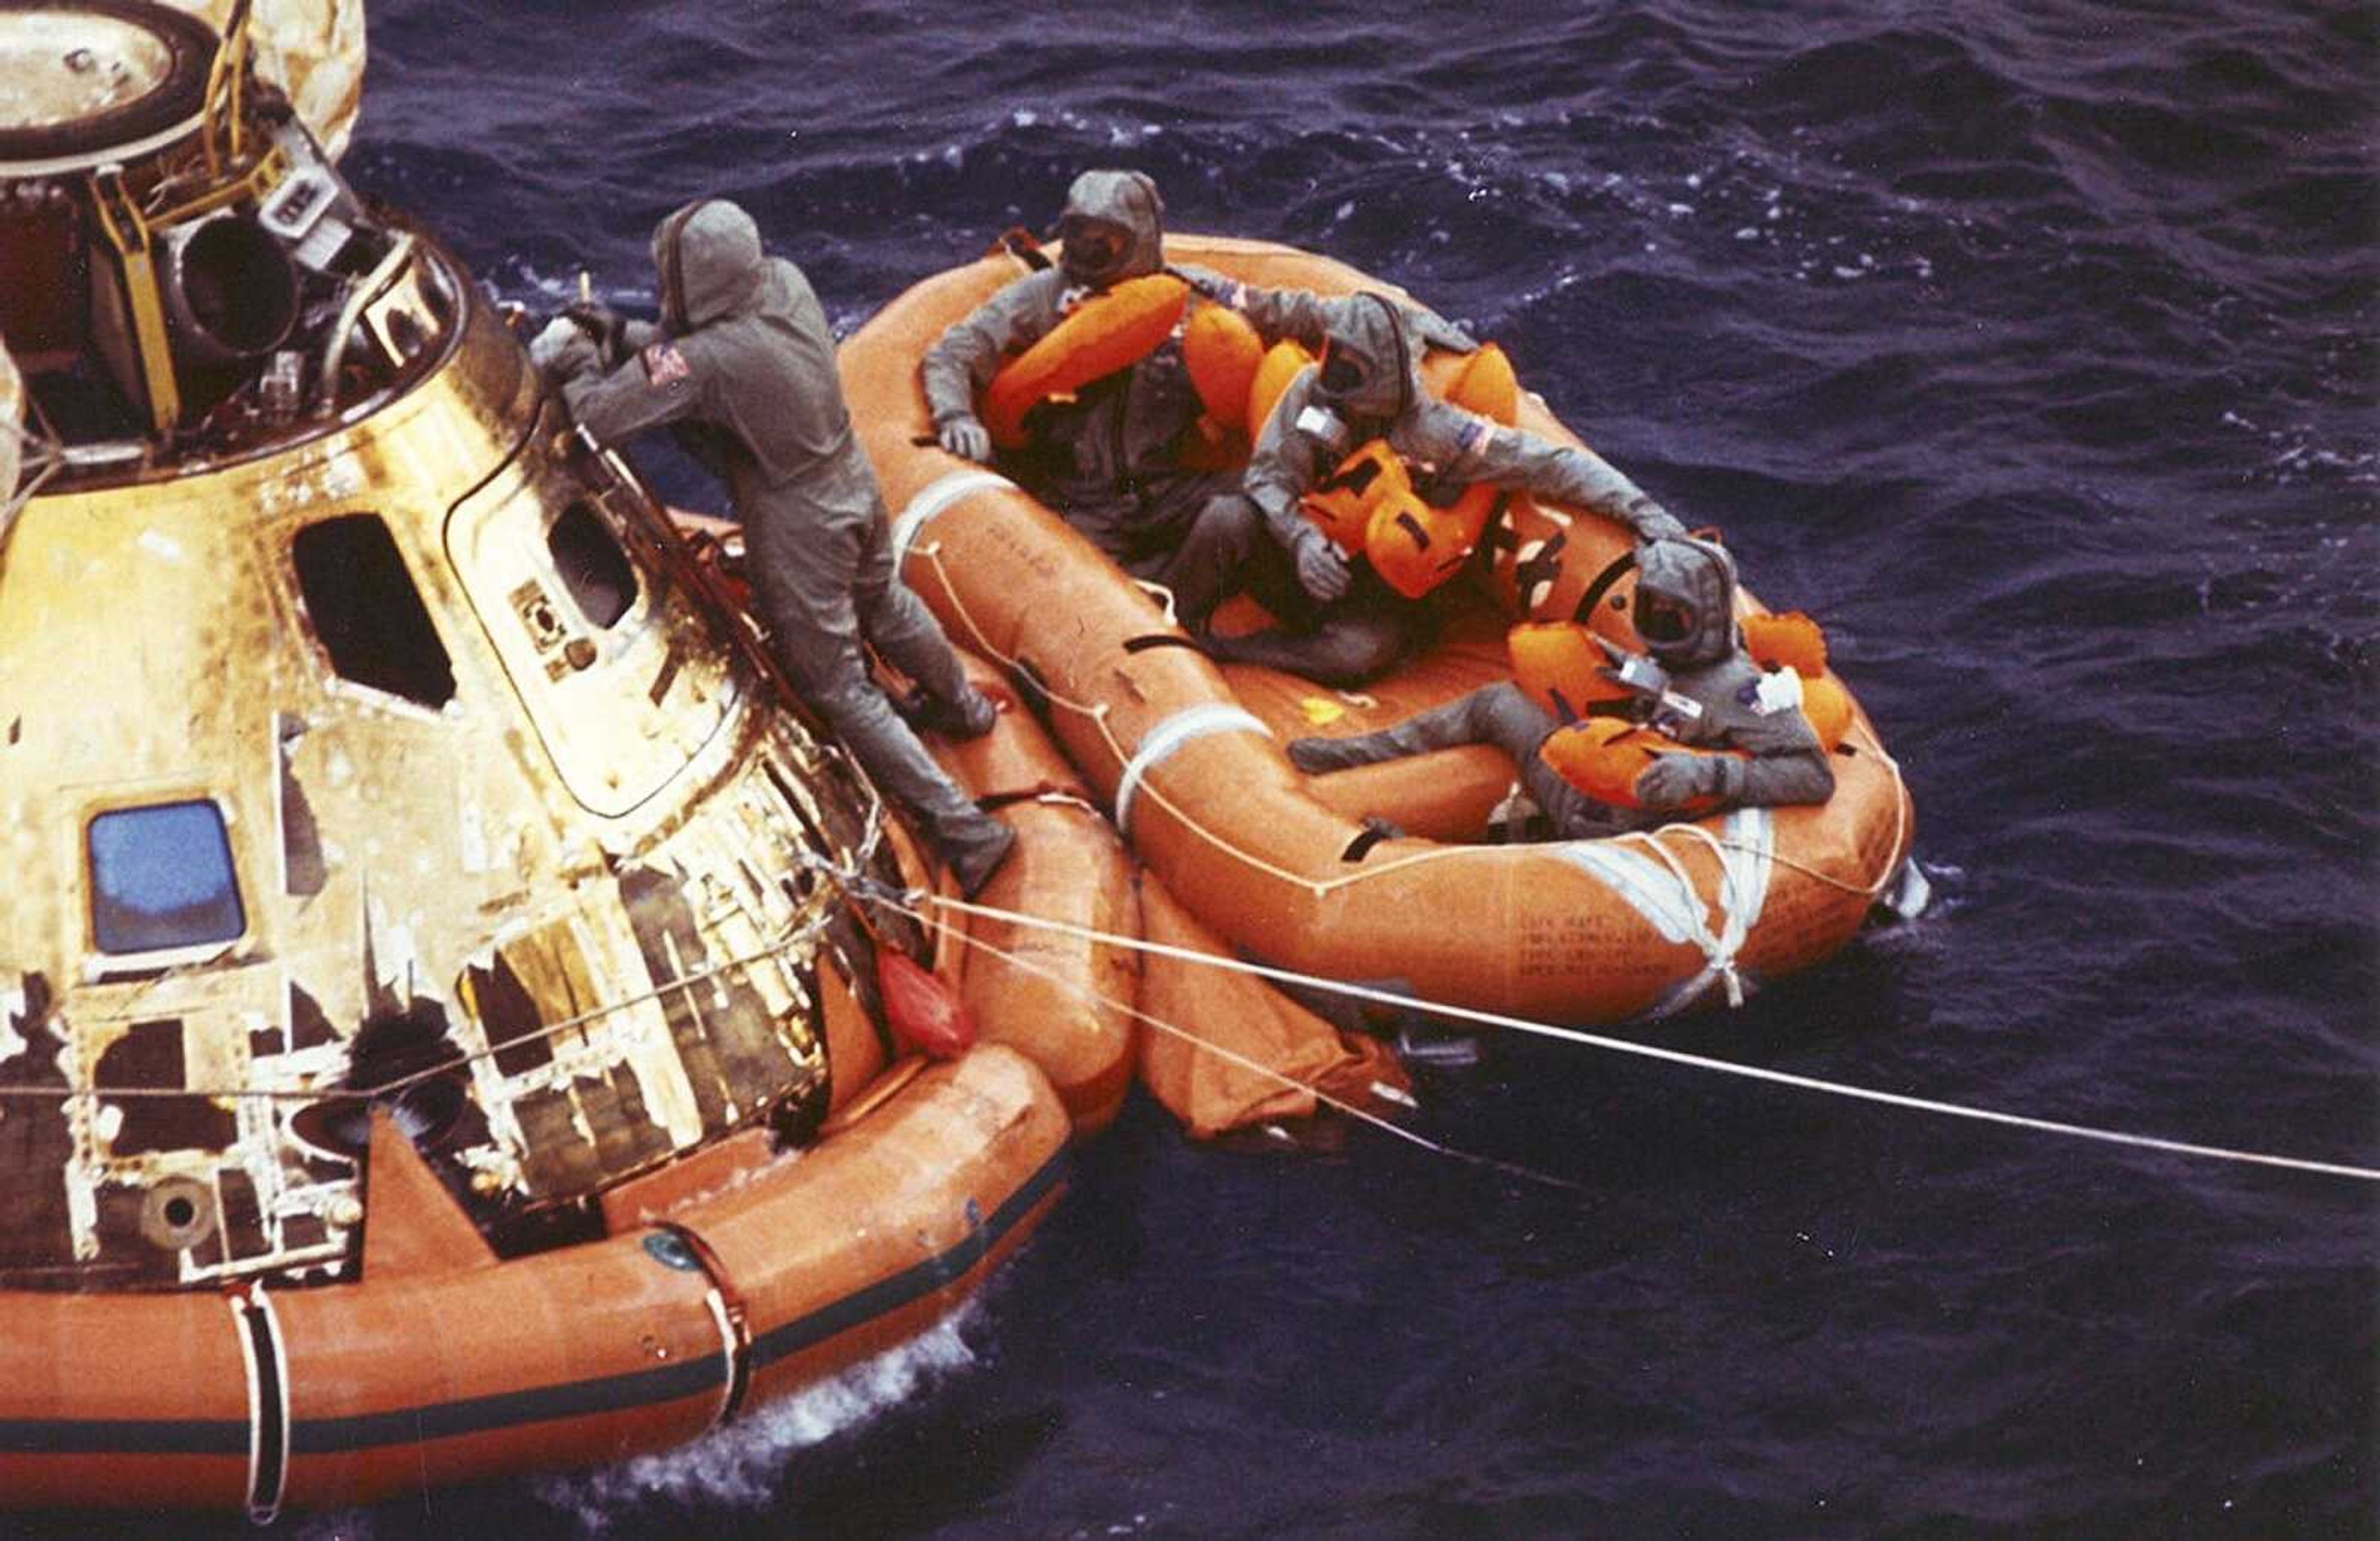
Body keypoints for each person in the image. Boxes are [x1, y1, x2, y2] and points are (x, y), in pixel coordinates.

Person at [534, 197, 1016, 896]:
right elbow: (688, 354)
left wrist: (579, 361)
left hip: (798, 519)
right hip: (850, 476)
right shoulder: (783, 283)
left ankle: (969, 834)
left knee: (836, 685)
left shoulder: (705, 361)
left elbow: (597, 420)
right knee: (884, 600)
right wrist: (625, 334)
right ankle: (962, 708)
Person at [920, 169, 1469, 630]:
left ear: (1140, 236)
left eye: (1105, 240)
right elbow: (953, 352)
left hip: (1166, 491)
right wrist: (955, 414)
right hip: (1077, 504)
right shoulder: (1041, 300)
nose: (1088, 253)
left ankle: (1347, 604)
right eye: (1077, 235)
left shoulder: (1199, 297)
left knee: (1253, 504)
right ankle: (1149, 629)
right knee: (1067, 586)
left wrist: (1403, 321)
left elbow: (1296, 310)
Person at [1196, 292, 1695, 686]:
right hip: (1298, 546)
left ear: (1382, 380)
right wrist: (1301, 540)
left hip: (1372, 585)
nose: (1334, 381)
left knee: (1357, 653)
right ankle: (1174, 619)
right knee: (1225, 516)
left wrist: (1645, 512)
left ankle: (1241, 652)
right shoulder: (1310, 392)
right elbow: (1268, 479)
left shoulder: (1440, 433)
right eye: (1334, 361)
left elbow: (1552, 465)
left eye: (1351, 371)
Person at [1283, 534, 1835, 836]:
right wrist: (1622, 669)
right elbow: (1664, 693)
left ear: (1707, 617)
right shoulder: (1672, 657)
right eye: (1651, 611)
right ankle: (1354, 754)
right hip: (1592, 777)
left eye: (1675, 618)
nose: (1659, 629)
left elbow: (1813, 775)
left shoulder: (1746, 694)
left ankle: (1411, 853)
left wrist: (1709, 771)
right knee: (1497, 701)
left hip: (1631, 822)